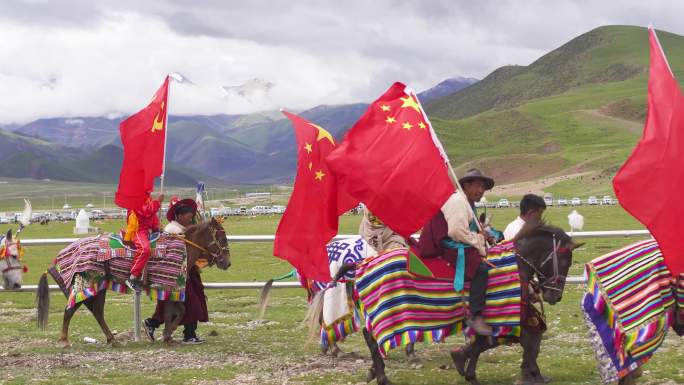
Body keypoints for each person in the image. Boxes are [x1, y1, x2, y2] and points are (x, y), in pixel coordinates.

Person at [418, 168, 495, 335]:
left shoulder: (468, 203)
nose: (481, 191)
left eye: (483, 187)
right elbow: (457, 232)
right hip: (448, 245)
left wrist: (484, 236)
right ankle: (475, 315)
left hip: (457, 242)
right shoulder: (458, 201)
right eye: (477, 186)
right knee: (481, 269)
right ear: (466, 186)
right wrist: (480, 240)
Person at [143, 197, 209, 344]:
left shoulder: (181, 229)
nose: (191, 219)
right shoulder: (173, 231)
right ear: (179, 216)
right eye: (189, 217)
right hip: (177, 273)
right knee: (191, 302)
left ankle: (153, 323)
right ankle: (188, 334)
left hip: (186, 271)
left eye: (192, 217)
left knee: (172, 302)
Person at [125, 192, 164, 292]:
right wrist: (157, 202)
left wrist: (157, 227)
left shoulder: (148, 199)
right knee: (145, 249)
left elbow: (152, 216)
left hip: (148, 232)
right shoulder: (135, 201)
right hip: (139, 231)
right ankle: (132, 277)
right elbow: (147, 211)